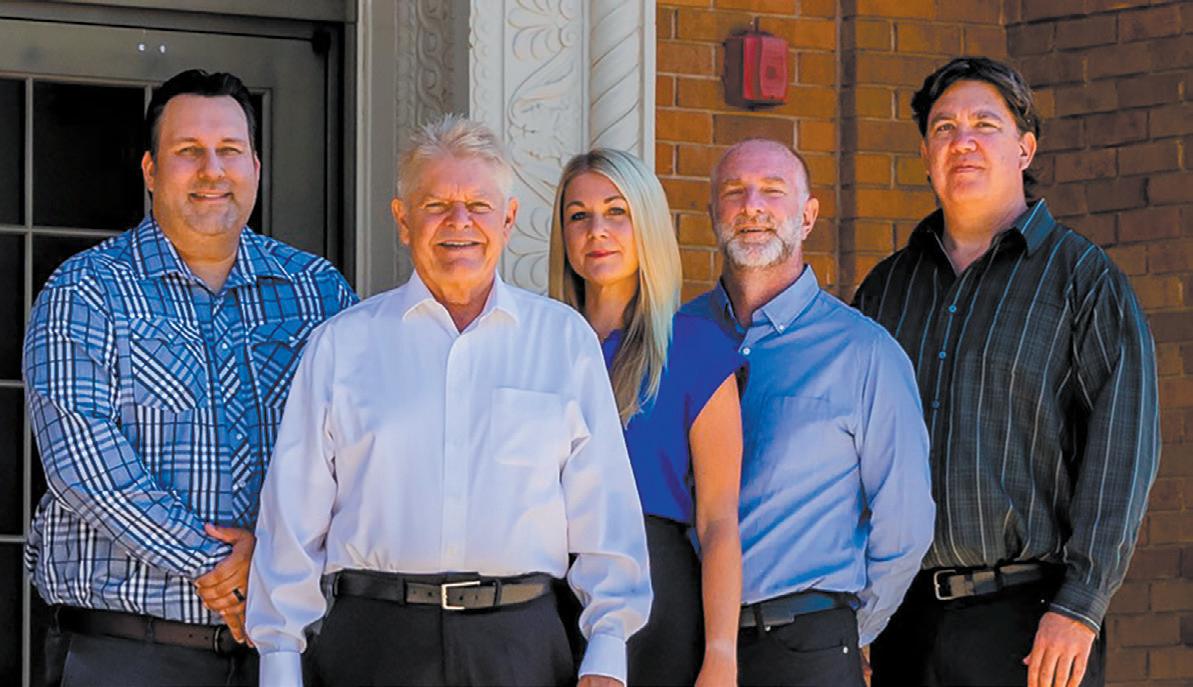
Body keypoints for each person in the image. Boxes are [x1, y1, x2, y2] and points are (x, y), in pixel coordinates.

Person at [245, 115, 651, 687]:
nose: (459, 222)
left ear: (508, 219)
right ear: (402, 220)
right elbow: (291, 519)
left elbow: (606, 512)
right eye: (435, 205)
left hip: (521, 646)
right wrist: (279, 661)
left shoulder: (564, 342)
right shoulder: (343, 344)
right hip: (373, 645)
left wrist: (607, 650)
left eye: (479, 206)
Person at [22, 69, 357, 687]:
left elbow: (364, 453)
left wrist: (279, 561)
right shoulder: (87, 290)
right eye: (188, 151)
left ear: (255, 167)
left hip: (286, 656)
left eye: (229, 150)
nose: (212, 170)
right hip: (127, 652)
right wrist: (224, 564)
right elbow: (82, 462)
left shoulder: (319, 293)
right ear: (150, 171)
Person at [854, 56, 1160, 687]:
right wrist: (853, 612)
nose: (962, 141)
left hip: (1028, 621)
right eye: (944, 128)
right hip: (898, 621)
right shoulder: (886, 291)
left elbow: (1123, 452)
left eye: (984, 125)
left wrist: (1081, 605)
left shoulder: (1082, 280)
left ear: (1025, 148)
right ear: (925, 155)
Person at [681, 138, 934, 687]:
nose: (752, 205)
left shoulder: (864, 353)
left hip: (807, 648)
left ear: (809, 215)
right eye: (734, 191)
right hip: (684, 646)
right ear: (712, 212)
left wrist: (848, 632)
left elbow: (906, 526)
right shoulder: (677, 338)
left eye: (773, 191)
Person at [548, 148, 744, 686]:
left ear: (647, 225)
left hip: (657, 600)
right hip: (546, 597)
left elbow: (719, 519)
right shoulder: (540, 348)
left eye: (617, 212)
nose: (597, 230)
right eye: (579, 215)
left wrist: (721, 654)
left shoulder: (696, 348)